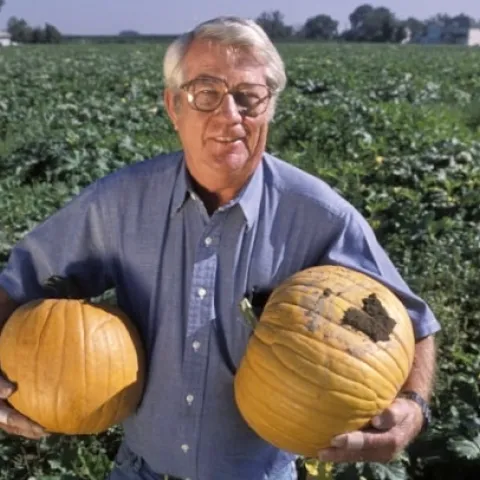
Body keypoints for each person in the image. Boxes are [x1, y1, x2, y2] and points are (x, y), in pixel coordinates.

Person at [0, 16, 440, 480]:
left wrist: (412, 407)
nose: (230, 117)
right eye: (205, 93)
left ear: (270, 107)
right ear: (174, 106)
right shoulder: (119, 204)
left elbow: (415, 325)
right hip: (142, 469)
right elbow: (17, 283)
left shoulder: (321, 217)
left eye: (249, 97)